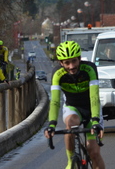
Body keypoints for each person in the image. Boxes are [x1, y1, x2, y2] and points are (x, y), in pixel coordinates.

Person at [44, 41, 105, 169]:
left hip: (91, 108)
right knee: (71, 123)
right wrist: (51, 124)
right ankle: (71, 160)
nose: (71, 66)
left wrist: (95, 121)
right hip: (73, 108)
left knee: (94, 153)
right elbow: (55, 101)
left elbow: (94, 97)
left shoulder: (89, 69)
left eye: (74, 61)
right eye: (67, 63)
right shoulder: (57, 74)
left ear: (79, 59)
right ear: (61, 63)